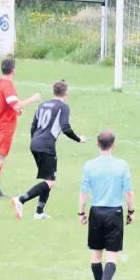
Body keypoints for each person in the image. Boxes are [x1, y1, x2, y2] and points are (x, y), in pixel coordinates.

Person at [11, 80, 86, 219]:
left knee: (48, 179)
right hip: (46, 146)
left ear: (53, 91)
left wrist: (35, 141)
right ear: (66, 93)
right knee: (50, 182)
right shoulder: (63, 107)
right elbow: (66, 128)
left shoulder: (42, 105)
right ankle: (20, 200)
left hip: (35, 143)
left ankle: (39, 212)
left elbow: (33, 126)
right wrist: (78, 139)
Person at [77, 130, 134, 280]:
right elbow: (128, 192)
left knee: (95, 255)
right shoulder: (122, 165)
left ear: (97, 144)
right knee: (112, 255)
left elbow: (83, 193)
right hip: (114, 213)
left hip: (96, 212)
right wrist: (131, 211)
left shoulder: (89, 166)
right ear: (114, 145)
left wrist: (81, 213)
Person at [0, 58, 41, 201]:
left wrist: (13, 110)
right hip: (4, 126)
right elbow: (16, 105)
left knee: (0, 157)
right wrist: (32, 99)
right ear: (13, 70)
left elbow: (0, 103)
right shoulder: (8, 85)